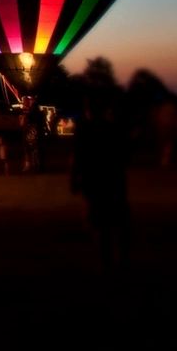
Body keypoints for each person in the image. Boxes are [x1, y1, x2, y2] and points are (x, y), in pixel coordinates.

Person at [71, 95, 130, 269]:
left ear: (88, 111)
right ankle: (121, 258)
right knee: (117, 220)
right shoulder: (114, 129)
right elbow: (124, 155)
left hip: (93, 181)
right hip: (113, 180)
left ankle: (106, 260)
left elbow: (77, 157)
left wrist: (74, 179)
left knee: (98, 223)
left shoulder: (84, 131)